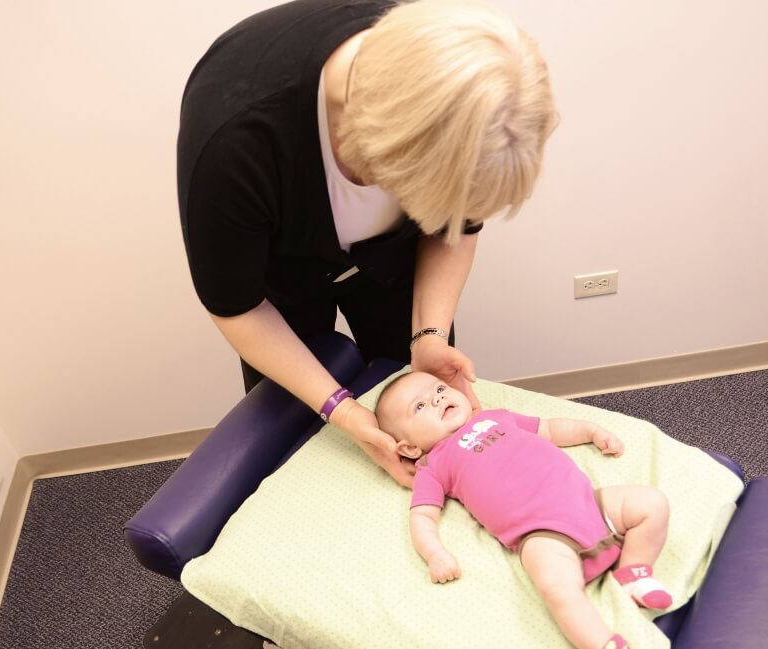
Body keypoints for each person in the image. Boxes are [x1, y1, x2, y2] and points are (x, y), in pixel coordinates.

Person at [177, 0, 557, 486]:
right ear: (389, 153)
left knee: (427, 436)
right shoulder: (234, 142)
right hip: (279, 292)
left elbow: (456, 229)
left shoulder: (459, 88)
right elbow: (237, 305)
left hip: (397, 265)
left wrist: (430, 335)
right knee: (300, 450)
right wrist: (339, 409)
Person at [375, 371, 673, 649]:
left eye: (440, 389)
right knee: (558, 590)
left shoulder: (496, 417)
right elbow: (422, 515)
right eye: (420, 406)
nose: (437, 398)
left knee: (651, 504)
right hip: (542, 535)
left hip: (591, 504)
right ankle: (601, 642)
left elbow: (550, 428)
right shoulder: (433, 465)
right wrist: (434, 553)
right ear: (410, 449)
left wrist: (591, 431)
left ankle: (632, 572)